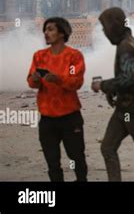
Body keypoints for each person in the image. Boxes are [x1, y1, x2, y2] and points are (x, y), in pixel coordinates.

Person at [91, 8, 134, 181]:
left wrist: (103, 85)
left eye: (105, 27)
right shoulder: (129, 41)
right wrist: (113, 90)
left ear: (113, 25)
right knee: (108, 147)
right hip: (125, 108)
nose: (104, 31)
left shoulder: (125, 47)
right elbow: (131, 77)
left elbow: (128, 78)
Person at [27, 17, 88, 182]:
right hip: (47, 119)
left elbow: (76, 82)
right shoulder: (39, 56)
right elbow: (31, 82)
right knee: (52, 162)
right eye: (45, 30)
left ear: (62, 33)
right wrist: (35, 79)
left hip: (70, 116)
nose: (46, 33)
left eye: (51, 29)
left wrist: (58, 79)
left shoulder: (73, 57)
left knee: (76, 158)